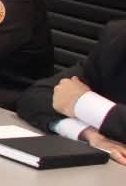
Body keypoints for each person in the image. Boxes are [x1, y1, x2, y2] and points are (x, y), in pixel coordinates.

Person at [16, 20, 126, 164]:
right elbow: (37, 95)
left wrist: (85, 104)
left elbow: (76, 99)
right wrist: (90, 133)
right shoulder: (118, 38)